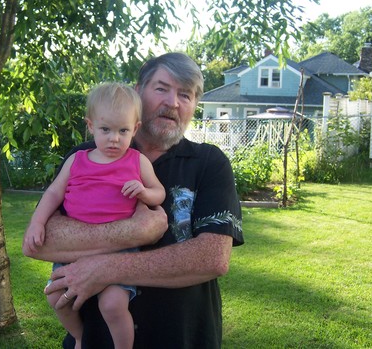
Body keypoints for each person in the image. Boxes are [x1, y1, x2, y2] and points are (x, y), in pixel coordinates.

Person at [23, 52, 244, 349]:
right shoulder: (85, 157)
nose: (173, 102)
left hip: (182, 340)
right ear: (138, 91)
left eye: (185, 95)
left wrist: (107, 268)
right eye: (162, 88)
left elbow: (211, 258)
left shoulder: (208, 163)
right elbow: (41, 241)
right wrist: (136, 231)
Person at [23, 82, 166, 349]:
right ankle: (79, 336)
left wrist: (145, 193)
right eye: (105, 129)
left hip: (119, 251)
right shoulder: (76, 160)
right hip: (74, 249)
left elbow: (159, 193)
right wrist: (37, 223)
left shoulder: (137, 161)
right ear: (91, 126)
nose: (114, 138)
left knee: (113, 305)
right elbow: (53, 193)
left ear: (135, 128)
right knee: (55, 298)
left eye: (123, 131)